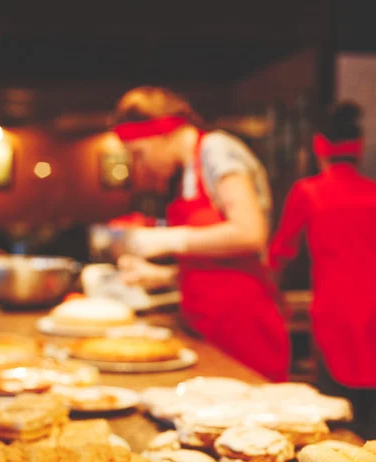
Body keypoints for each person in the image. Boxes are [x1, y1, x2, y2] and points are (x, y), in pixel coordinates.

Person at [112, 86, 289, 382]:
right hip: (207, 325)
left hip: (243, 326)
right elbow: (214, 263)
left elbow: (249, 233)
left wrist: (168, 239)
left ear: (163, 133)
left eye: (139, 153)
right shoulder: (188, 173)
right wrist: (163, 276)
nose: (141, 166)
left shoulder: (216, 149)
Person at [269, 101, 376, 440]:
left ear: (319, 146)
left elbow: (281, 252)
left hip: (336, 313)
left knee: (336, 418)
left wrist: (274, 297)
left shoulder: (308, 193)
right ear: (360, 148)